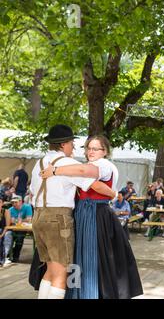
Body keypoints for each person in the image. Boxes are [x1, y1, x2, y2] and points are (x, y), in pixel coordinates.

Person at [40, 135, 143, 298]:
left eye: (95, 148)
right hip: (85, 212)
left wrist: (55, 171)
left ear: (105, 151)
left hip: (94, 213)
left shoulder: (104, 165)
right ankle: (80, 293)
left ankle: (90, 293)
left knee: (89, 257)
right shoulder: (89, 164)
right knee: (79, 257)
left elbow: (84, 172)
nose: (90, 151)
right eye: (88, 148)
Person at [30, 124, 116, 299]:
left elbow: (32, 190)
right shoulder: (68, 163)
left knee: (50, 270)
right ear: (63, 145)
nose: (74, 147)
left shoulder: (38, 163)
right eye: (71, 143)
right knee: (61, 275)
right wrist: (114, 193)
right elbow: (94, 184)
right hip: (58, 218)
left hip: (38, 216)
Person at [2, 196, 33, 263]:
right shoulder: (10, 209)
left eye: (16, 202)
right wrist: (19, 221)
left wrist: (19, 220)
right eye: (12, 202)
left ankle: (15, 256)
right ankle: (7, 255)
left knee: (19, 238)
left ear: (21, 202)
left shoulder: (27, 207)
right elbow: (9, 221)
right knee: (7, 235)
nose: (14, 204)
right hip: (13, 228)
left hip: (24, 228)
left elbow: (29, 219)